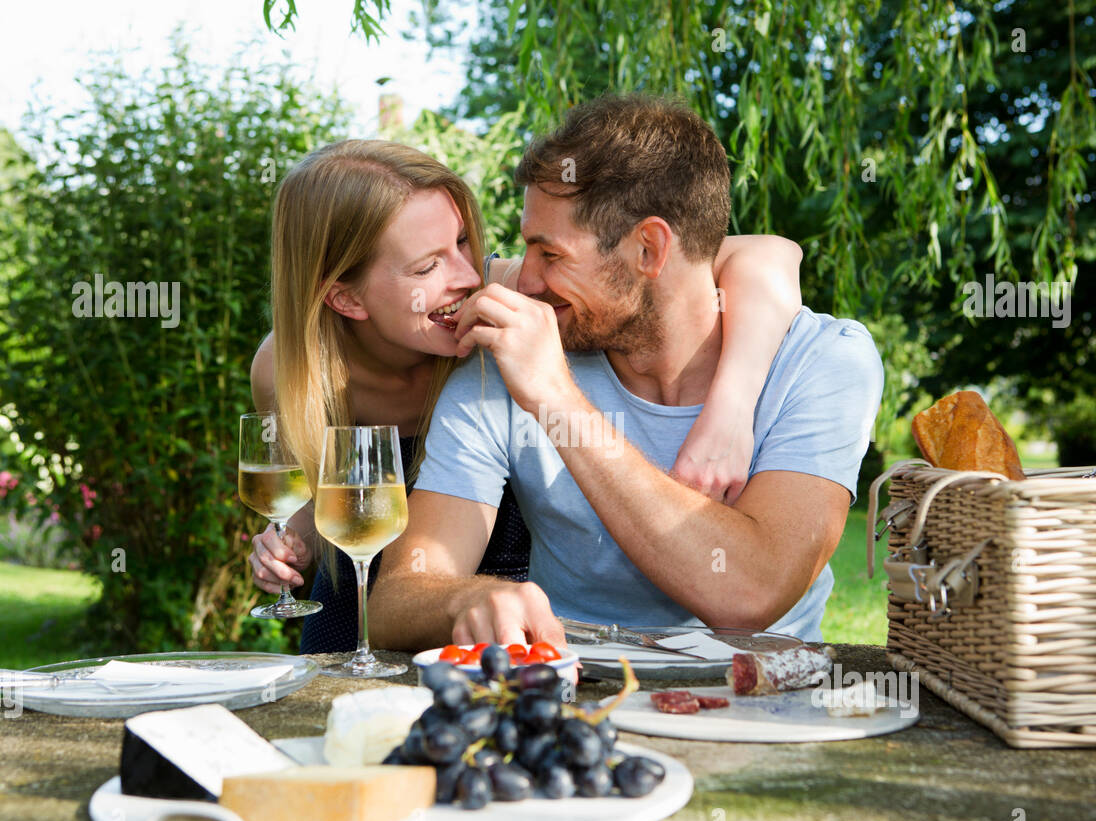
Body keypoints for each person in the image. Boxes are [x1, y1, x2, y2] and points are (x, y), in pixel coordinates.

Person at [367, 94, 885, 651]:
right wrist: (462, 599)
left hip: (756, 703)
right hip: (568, 698)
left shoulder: (823, 362)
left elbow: (752, 594)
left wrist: (557, 399)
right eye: (526, 250)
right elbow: (396, 601)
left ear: (649, 248)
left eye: (551, 255)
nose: (526, 283)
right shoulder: (505, 362)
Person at [247, 138, 806, 652]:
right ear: (344, 299)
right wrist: (292, 542)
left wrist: (731, 408)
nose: (467, 275)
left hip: (513, 594)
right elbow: (331, 500)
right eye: (427, 265)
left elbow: (768, 257)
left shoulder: (506, 293)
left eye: (463, 240)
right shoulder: (290, 371)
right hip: (373, 595)